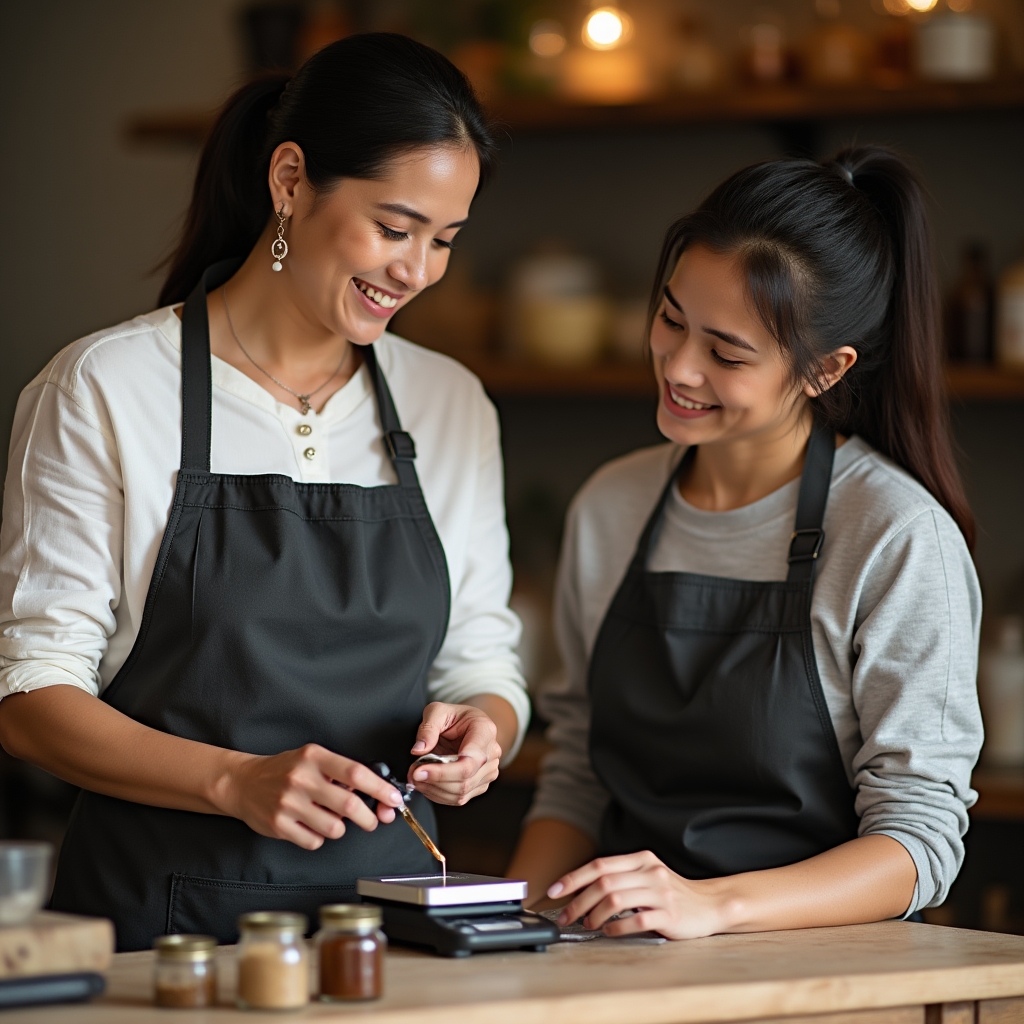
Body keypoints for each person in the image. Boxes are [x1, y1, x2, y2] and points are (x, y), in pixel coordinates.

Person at [0, 34, 529, 951]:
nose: (417, 271)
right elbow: (30, 697)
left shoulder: (450, 404)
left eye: (445, 240)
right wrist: (232, 781)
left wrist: (485, 729)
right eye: (394, 227)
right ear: (290, 180)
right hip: (161, 938)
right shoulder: (106, 387)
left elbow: (481, 659)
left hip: (398, 939)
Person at [507, 147, 983, 940]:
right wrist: (508, 924)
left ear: (824, 371)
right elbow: (580, 774)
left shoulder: (894, 535)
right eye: (669, 319)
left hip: (817, 971)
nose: (679, 367)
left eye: (726, 352)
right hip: (613, 960)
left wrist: (711, 905)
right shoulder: (611, 505)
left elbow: (919, 842)